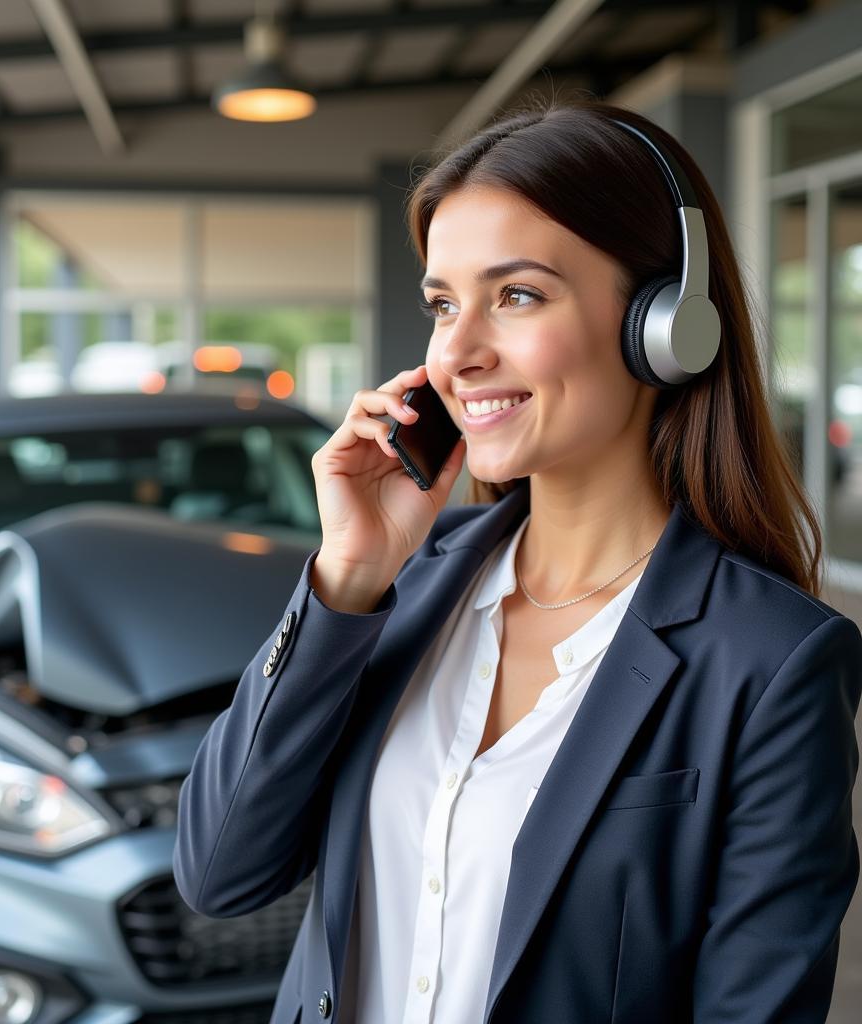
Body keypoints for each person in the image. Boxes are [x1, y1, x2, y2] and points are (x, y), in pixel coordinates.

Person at [172, 97, 862, 1024]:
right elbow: (220, 872)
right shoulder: (403, 587)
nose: (455, 353)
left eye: (518, 295)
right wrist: (346, 576)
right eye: (443, 304)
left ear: (662, 323)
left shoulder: (770, 662)